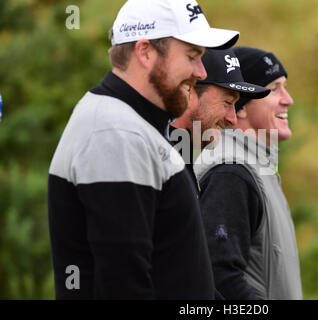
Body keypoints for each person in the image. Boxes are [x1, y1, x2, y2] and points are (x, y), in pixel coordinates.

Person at [47, 0, 239, 299]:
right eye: (192, 56)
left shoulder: (134, 126)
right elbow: (123, 286)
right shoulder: (115, 133)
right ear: (145, 52)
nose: (201, 72)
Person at [194, 46, 303, 299]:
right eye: (274, 89)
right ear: (240, 105)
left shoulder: (255, 167)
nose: (288, 99)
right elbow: (220, 278)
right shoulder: (230, 172)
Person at [171, 48, 270, 192]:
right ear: (189, 92)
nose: (232, 119)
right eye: (228, 102)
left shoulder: (179, 158)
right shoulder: (156, 159)